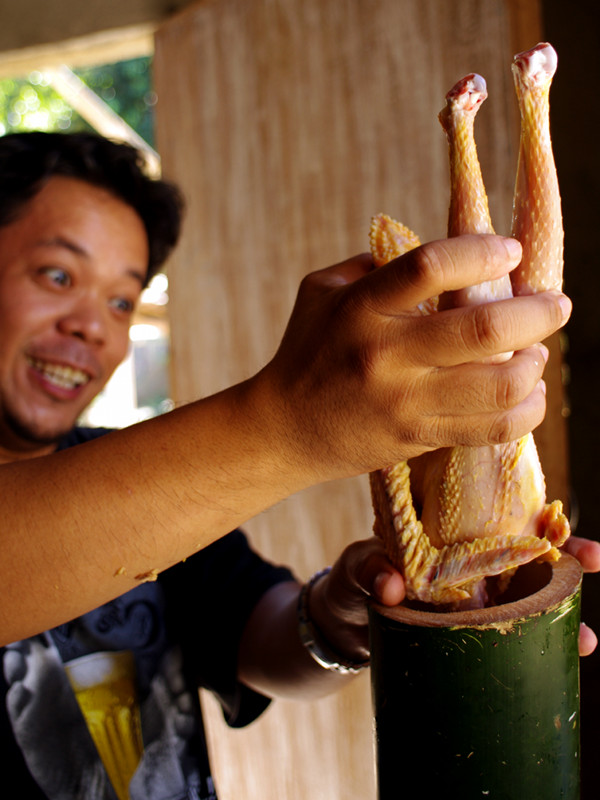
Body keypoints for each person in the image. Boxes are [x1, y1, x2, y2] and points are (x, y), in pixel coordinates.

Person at [0, 132, 597, 799]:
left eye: (121, 300)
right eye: (57, 276)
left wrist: (349, 614)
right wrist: (287, 423)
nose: (93, 328)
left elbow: (264, 641)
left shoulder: (121, 464)